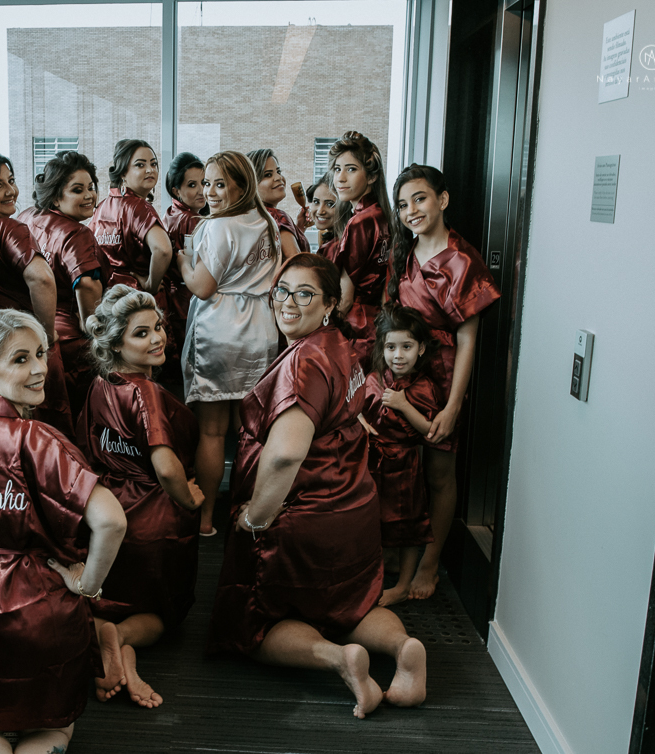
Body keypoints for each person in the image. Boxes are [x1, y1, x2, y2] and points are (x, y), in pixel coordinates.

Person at [208, 253, 427, 719]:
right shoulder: (340, 346)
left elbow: (286, 452)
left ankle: (338, 660)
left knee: (252, 625)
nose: (288, 302)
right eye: (281, 291)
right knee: (351, 605)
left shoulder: (302, 364)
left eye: (304, 294)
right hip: (353, 506)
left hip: (305, 514)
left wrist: (254, 518)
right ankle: (405, 650)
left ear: (329, 304)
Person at [0, 308, 127, 754]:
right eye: (20, 359)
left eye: (40, 353)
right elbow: (112, 520)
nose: (41, 368)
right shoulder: (39, 440)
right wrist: (87, 585)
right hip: (39, 605)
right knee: (51, 724)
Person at [76, 285, 203, 708]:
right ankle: (125, 638)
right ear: (115, 343)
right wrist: (190, 501)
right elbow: (166, 467)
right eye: (141, 333)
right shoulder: (144, 392)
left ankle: (118, 647)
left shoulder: (100, 383)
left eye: (159, 327)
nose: (157, 338)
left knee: (118, 602)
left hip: (111, 516)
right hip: (155, 520)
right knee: (164, 618)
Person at [388, 163, 500, 600]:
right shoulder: (404, 251)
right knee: (398, 465)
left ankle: (430, 565)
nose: (411, 210)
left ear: (442, 200)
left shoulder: (462, 259)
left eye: (420, 198)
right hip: (404, 368)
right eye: (403, 204)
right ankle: (401, 554)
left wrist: (453, 406)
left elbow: (468, 341)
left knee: (438, 472)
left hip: (443, 375)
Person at [176, 150, 282, 537]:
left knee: (212, 432)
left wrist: (184, 263)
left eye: (220, 184)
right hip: (260, 331)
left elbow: (203, 287)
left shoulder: (218, 227)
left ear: (241, 185)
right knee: (250, 431)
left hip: (222, 331)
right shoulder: (267, 221)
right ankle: (249, 511)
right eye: (207, 183)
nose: (211, 192)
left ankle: (205, 521)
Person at [0, 148, 72, 435]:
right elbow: (42, 279)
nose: (11, 191)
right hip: (27, 341)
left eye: (11, 180)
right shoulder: (10, 228)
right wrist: (45, 336)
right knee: (47, 427)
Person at [359, 305, 442, 606]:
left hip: (405, 466)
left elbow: (428, 430)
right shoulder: (374, 379)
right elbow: (353, 409)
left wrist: (404, 404)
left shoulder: (424, 387)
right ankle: (372, 579)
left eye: (406, 347)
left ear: (420, 349)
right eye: (391, 347)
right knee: (372, 524)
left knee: (408, 527)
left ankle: (404, 585)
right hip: (373, 463)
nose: (398, 355)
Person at [19, 151, 105, 416]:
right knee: (80, 416)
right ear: (56, 195)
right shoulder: (77, 233)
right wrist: (91, 325)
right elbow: (87, 285)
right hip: (69, 342)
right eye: (77, 190)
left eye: (91, 187)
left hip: (30, 332)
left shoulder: (26, 217)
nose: (89, 195)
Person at [326, 131, 393, 368]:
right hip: (375, 323)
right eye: (337, 169)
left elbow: (345, 299)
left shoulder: (361, 221)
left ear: (372, 176)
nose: (340, 178)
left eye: (351, 169)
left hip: (355, 327)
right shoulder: (382, 215)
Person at [89, 139, 173, 296]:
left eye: (153, 164)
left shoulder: (102, 207)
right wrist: (151, 285)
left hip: (109, 299)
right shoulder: (138, 207)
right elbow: (163, 249)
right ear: (123, 173)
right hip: (139, 301)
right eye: (140, 165)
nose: (150, 170)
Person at [160, 151, 206, 376]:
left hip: (171, 300)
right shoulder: (194, 221)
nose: (201, 190)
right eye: (192, 185)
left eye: (204, 183)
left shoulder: (169, 214)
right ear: (176, 190)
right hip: (189, 300)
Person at [247, 148, 309, 256]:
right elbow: (296, 261)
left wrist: (298, 228)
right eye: (268, 175)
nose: (279, 177)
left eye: (278, 171)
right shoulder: (279, 217)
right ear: (251, 184)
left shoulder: (248, 217)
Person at [305, 171, 336, 252]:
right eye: (316, 202)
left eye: (330, 204)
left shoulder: (337, 247)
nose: (320, 211)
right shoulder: (328, 240)